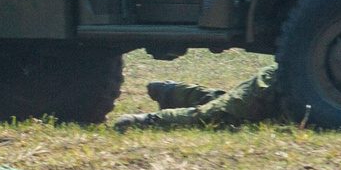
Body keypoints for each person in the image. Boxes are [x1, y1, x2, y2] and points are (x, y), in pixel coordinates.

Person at [111, 67, 282, 131]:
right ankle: (150, 120)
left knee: (221, 103)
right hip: (276, 84)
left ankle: (173, 92)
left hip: (286, 92)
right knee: (218, 113)